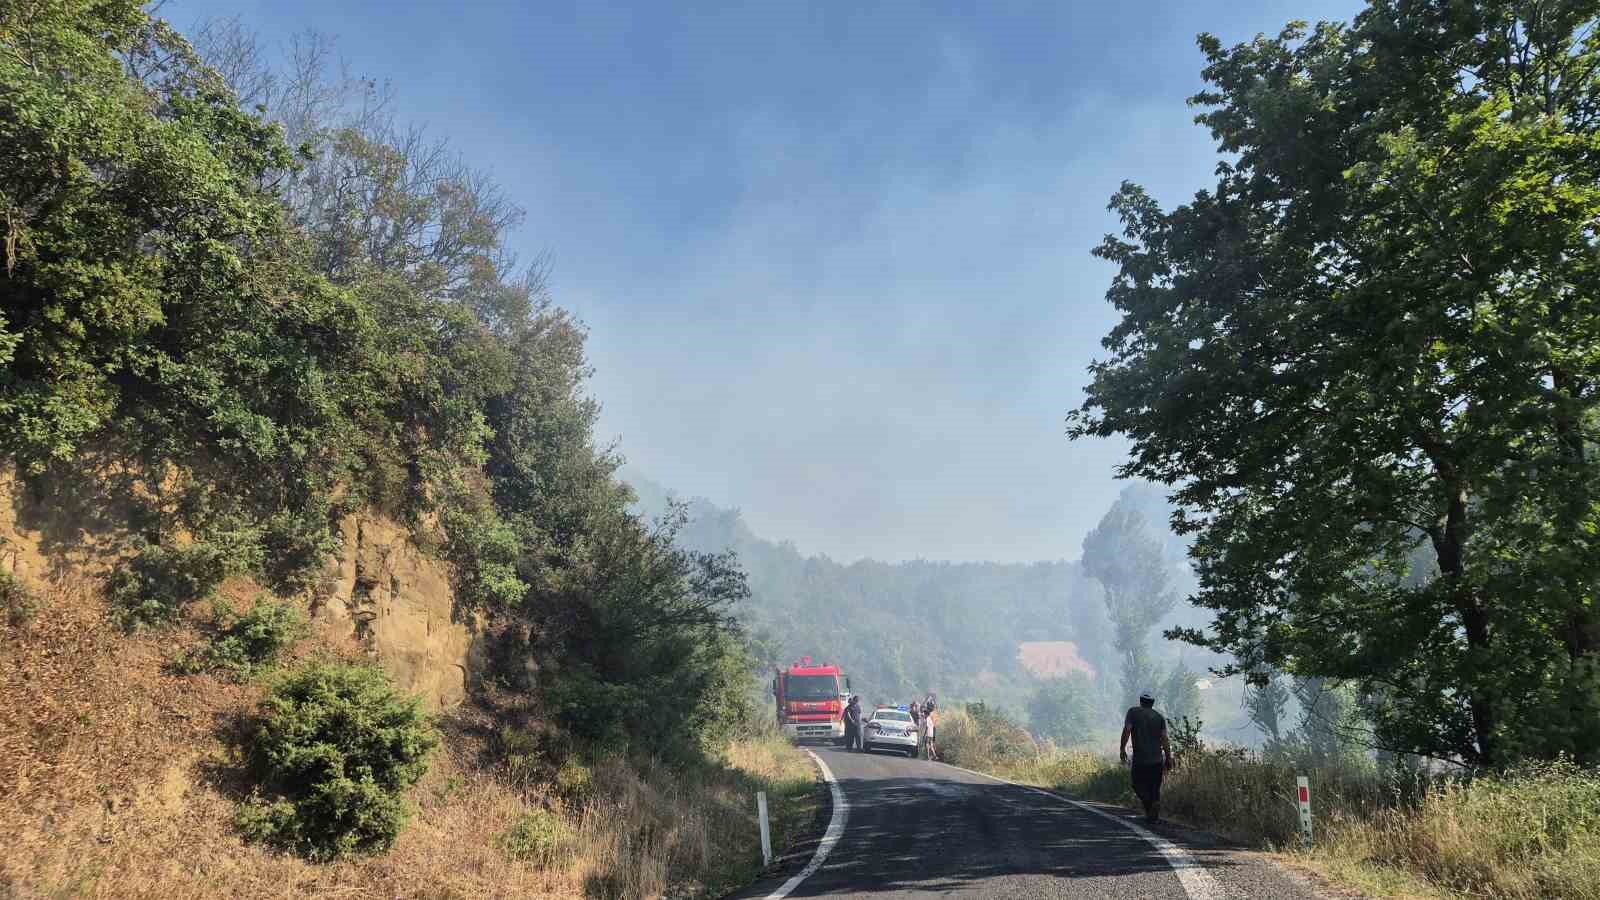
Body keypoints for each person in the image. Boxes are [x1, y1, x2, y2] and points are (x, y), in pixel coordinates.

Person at [1120, 689, 1173, 824]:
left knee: (1137, 785)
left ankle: (1150, 806)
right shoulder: (1159, 718)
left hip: (1140, 759)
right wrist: (1168, 757)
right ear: (1152, 702)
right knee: (1154, 787)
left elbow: (1127, 730)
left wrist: (1122, 748)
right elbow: (1165, 739)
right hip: (1157, 760)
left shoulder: (1133, 712)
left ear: (1141, 701)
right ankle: (1152, 813)